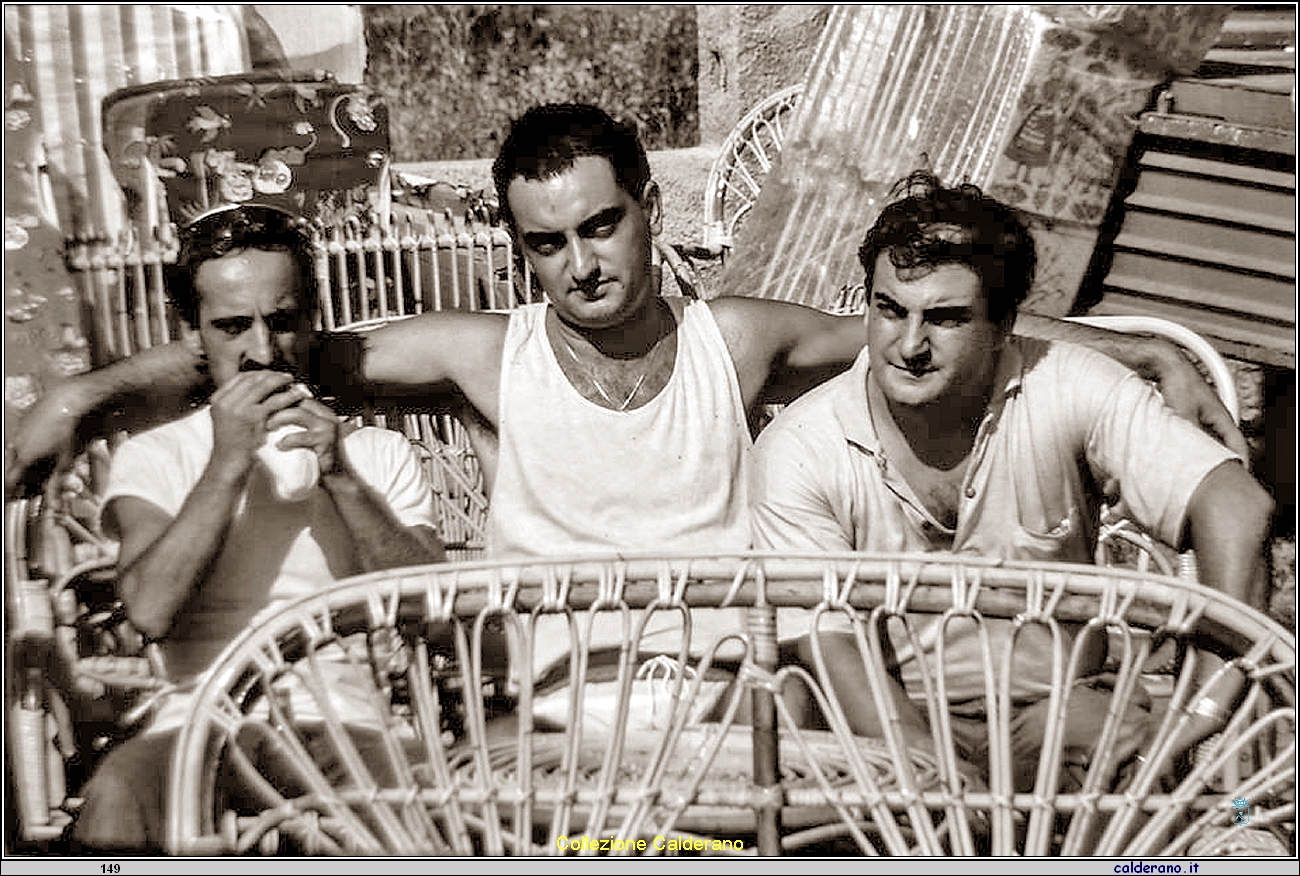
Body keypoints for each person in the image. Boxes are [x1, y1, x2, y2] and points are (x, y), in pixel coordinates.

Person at [748, 170, 1274, 789]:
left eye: (943, 318)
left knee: (1120, 760)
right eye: (890, 310)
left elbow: (1237, 506)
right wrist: (933, 772)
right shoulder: (804, 445)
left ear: (1003, 328)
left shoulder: (1067, 385)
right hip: (888, 722)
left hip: (1056, 707)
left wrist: (1202, 707)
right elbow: (831, 645)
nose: (909, 344)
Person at [70, 204, 445, 853]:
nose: (263, 351)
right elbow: (151, 609)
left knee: (424, 807)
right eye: (232, 326)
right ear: (194, 335)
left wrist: (343, 479)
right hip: (193, 724)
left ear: (312, 318)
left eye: (282, 321)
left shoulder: (376, 456)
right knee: (119, 795)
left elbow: (430, 609)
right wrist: (227, 461)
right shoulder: (158, 457)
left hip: (344, 725)